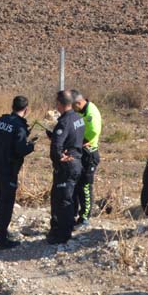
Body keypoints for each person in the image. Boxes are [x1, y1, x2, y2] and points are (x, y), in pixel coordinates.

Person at [0, 96, 36, 250]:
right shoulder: (19, 127)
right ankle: (2, 240)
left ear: (12, 106)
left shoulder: (2, 121)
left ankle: (3, 231)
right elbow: (20, 149)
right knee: (6, 204)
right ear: (26, 110)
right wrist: (31, 145)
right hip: (8, 170)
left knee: (0, 200)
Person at [47, 90, 85, 245]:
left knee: (62, 199)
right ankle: (65, 229)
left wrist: (58, 158)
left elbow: (56, 146)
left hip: (67, 165)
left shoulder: (64, 122)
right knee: (70, 197)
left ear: (60, 104)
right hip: (77, 162)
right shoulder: (78, 118)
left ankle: (62, 234)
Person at [67, 90, 102, 229]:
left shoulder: (91, 113)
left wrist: (78, 142)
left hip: (89, 154)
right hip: (81, 153)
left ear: (78, 103)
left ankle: (85, 218)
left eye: (73, 106)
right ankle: (74, 214)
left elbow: (93, 132)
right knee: (76, 185)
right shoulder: (82, 110)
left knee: (85, 187)